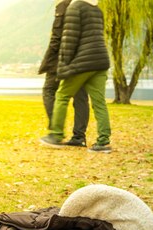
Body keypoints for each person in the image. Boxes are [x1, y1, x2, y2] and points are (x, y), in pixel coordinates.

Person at [40, 0, 112, 153]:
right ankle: (103, 142)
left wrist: (64, 65)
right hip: (101, 61)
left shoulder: (75, 7)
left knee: (62, 95)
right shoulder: (97, 10)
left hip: (83, 62)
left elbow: (69, 39)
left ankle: (56, 135)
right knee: (99, 102)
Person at [38, 0, 89, 147]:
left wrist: (49, 60)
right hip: (83, 58)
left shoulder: (63, 6)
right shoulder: (88, 6)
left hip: (62, 58)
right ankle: (79, 137)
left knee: (49, 90)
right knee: (80, 97)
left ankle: (56, 132)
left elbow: (56, 37)